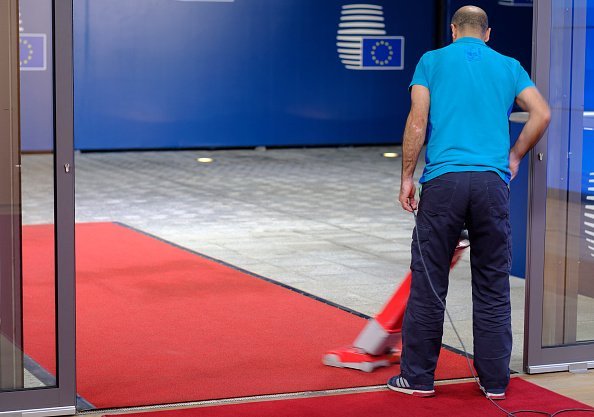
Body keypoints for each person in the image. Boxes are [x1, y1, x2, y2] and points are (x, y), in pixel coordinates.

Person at [387, 5, 551, 399]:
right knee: (493, 283)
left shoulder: (432, 61)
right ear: (488, 34)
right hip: (492, 185)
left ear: (454, 30)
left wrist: (408, 176)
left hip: (443, 182)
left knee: (429, 284)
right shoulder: (509, 66)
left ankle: (418, 378)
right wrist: (513, 158)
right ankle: (495, 381)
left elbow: (417, 121)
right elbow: (542, 114)